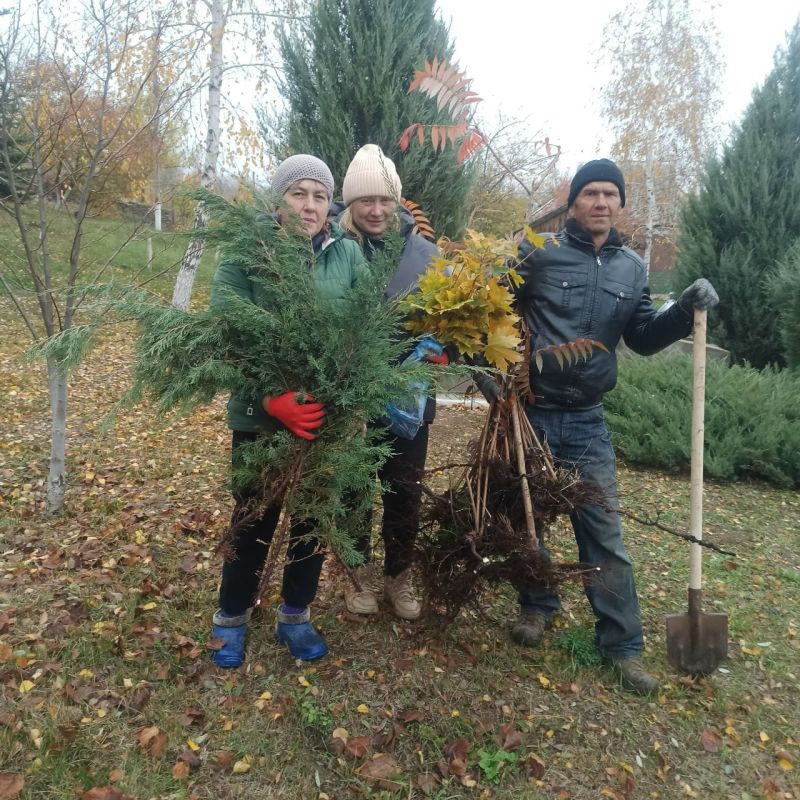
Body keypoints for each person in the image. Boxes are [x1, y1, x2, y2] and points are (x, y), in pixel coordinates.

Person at [510, 159, 719, 694]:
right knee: (527, 519)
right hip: (531, 412)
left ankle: (623, 646)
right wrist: (498, 384)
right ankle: (537, 606)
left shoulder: (631, 268)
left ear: (619, 204)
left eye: (610, 194)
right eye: (590, 193)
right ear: (573, 201)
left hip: (586, 420)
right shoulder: (536, 252)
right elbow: (491, 314)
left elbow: (644, 337)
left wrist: (682, 311)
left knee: (603, 530)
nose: (601, 202)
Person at [209, 154, 368, 668]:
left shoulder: (348, 256)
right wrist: (269, 398)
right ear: (279, 200)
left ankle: (294, 615)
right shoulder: (247, 252)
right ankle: (230, 617)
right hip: (260, 418)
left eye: (320, 196)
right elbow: (228, 332)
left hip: (326, 419)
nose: (310, 204)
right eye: (299, 192)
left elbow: (365, 329)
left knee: (312, 520)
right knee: (254, 516)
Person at [335, 144, 444, 621]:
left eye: (384, 200)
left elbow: (452, 320)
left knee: (405, 490)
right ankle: (358, 576)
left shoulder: (426, 254)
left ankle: (399, 576)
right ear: (351, 205)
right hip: (354, 397)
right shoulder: (338, 248)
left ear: (398, 201)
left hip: (410, 398)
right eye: (365, 201)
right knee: (356, 489)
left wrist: (441, 349)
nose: (376, 211)